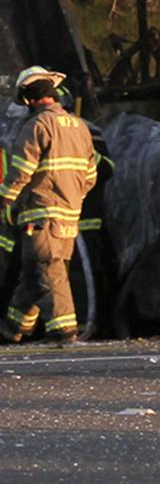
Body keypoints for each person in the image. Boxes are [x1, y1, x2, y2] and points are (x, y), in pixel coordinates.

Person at [0, 67, 97, 344]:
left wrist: (4, 201)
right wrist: (71, 200)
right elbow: (90, 176)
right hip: (68, 215)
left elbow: (20, 173)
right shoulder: (80, 127)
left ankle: (63, 329)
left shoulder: (37, 126)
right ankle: (12, 327)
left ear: (29, 99)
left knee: (48, 271)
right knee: (35, 272)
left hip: (41, 213)